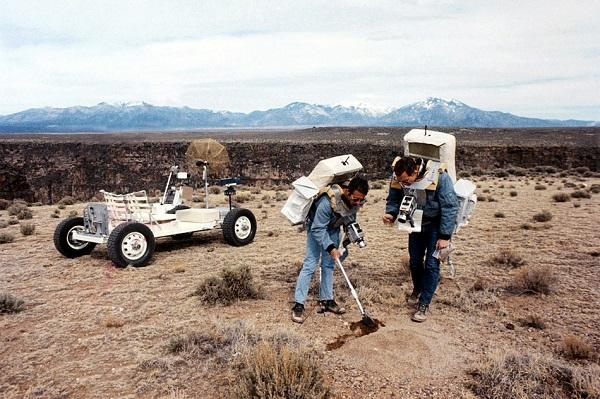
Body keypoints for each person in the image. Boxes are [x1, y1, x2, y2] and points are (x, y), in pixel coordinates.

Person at [383, 157, 458, 322]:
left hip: (435, 226)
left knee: (431, 264)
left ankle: (424, 303)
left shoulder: (440, 177)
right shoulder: (399, 179)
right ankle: (418, 289)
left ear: (415, 171)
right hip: (415, 223)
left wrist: (445, 236)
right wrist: (391, 213)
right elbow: (394, 198)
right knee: (415, 261)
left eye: (407, 180)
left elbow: (450, 206)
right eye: (402, 181)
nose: (405, 184)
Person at [292, 176, 369, 323]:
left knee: (329, 264)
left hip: (334, 228)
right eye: (355, 199)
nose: (358, 203)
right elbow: (317, 229)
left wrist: (344, 243)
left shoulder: (356, 202)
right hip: (316, 227)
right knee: (310, 264)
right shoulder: (327, 202)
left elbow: (349, 219)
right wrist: (330, 247)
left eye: (361, 200)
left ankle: (327, 300)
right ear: (347, 191)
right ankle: (298, 304)